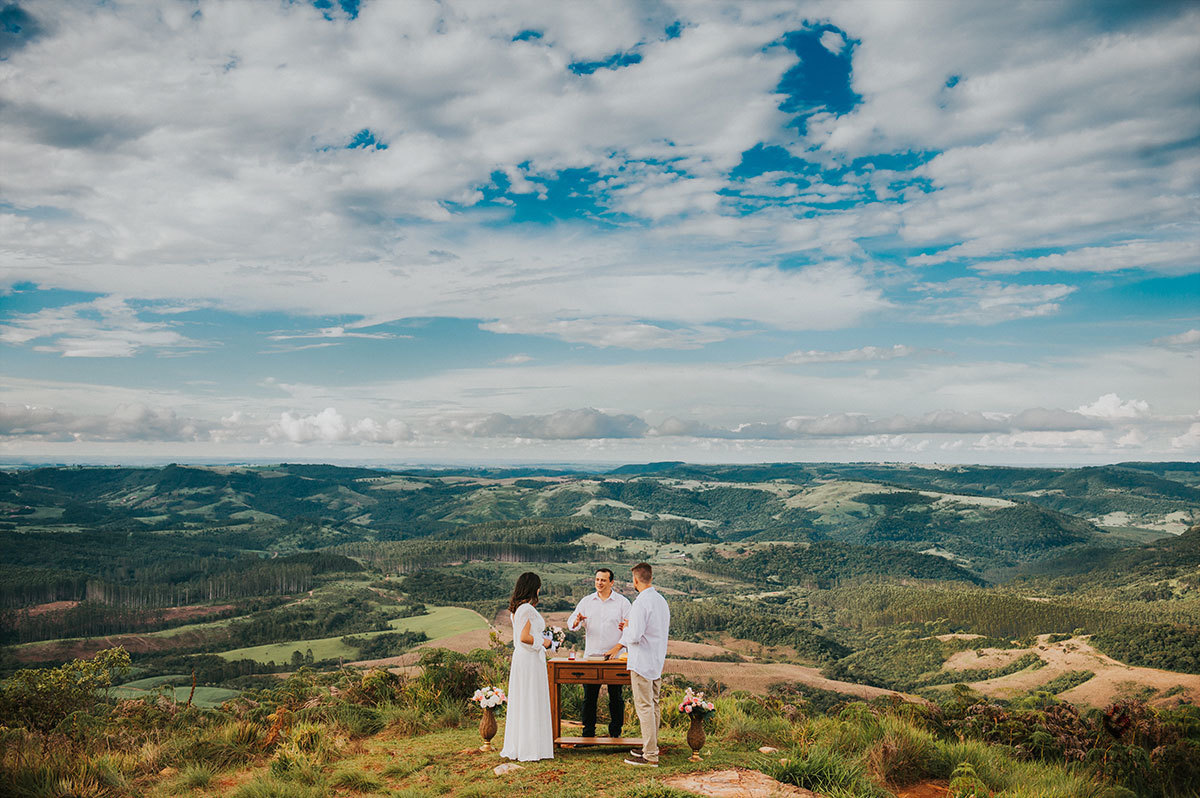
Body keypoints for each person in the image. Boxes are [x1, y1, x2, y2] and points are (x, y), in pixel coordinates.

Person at [607, 562, 670, 767]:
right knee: (654, 705)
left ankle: (650, 754)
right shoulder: (661, 600)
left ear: (635, 580)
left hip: (642, 661)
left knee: (644, 706)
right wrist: (630, 626)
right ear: (650, 577)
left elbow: (634, 636)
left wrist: (627, 626)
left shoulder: (641, 603)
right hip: (656, 660)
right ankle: (650, 746)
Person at [567, 567, 632, 738]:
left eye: (603, 580)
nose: (599, 583)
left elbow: (630, 628)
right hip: (592, 657)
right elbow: (572, 624)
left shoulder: (623, 603)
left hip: (616, 657)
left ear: (611, 582)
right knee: (589, 697)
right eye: (597, 579)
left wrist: (619, 645)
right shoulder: (587, 601)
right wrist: (576, 621)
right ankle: (588, 733)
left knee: (616, 697)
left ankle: (615, 733)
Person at [499, 571, 554, 761]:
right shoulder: (527, 610)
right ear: (534, 588)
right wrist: (544, 642)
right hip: (529, 659)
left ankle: (524, 745)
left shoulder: (517, 609)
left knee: (524, 700)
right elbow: (524, 637)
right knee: (531, 698)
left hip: (522, 658)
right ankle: (531, 748)